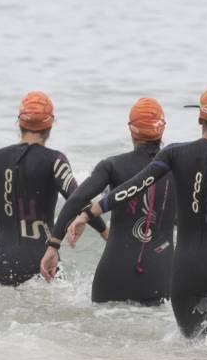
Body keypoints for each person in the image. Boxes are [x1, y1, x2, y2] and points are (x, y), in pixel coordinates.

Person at [66, 84, 207, 338]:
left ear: (200, 118)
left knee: (192, 350)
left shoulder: (174, 153)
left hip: (186, 271)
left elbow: (133, 187)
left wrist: (87, 214)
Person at [40, 98, 176, 304]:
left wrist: (53, 246)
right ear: (162, 129)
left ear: (131, 130)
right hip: (160, 272)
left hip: (113, 274)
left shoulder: (113, 165)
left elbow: (76, 199)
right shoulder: (179, 168)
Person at [0, 92, 106, 286]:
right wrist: (104, 231)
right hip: (42, 261)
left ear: (19, 123)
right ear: (50, 126)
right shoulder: (55, 160)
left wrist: (10, 206)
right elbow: (78, 199)